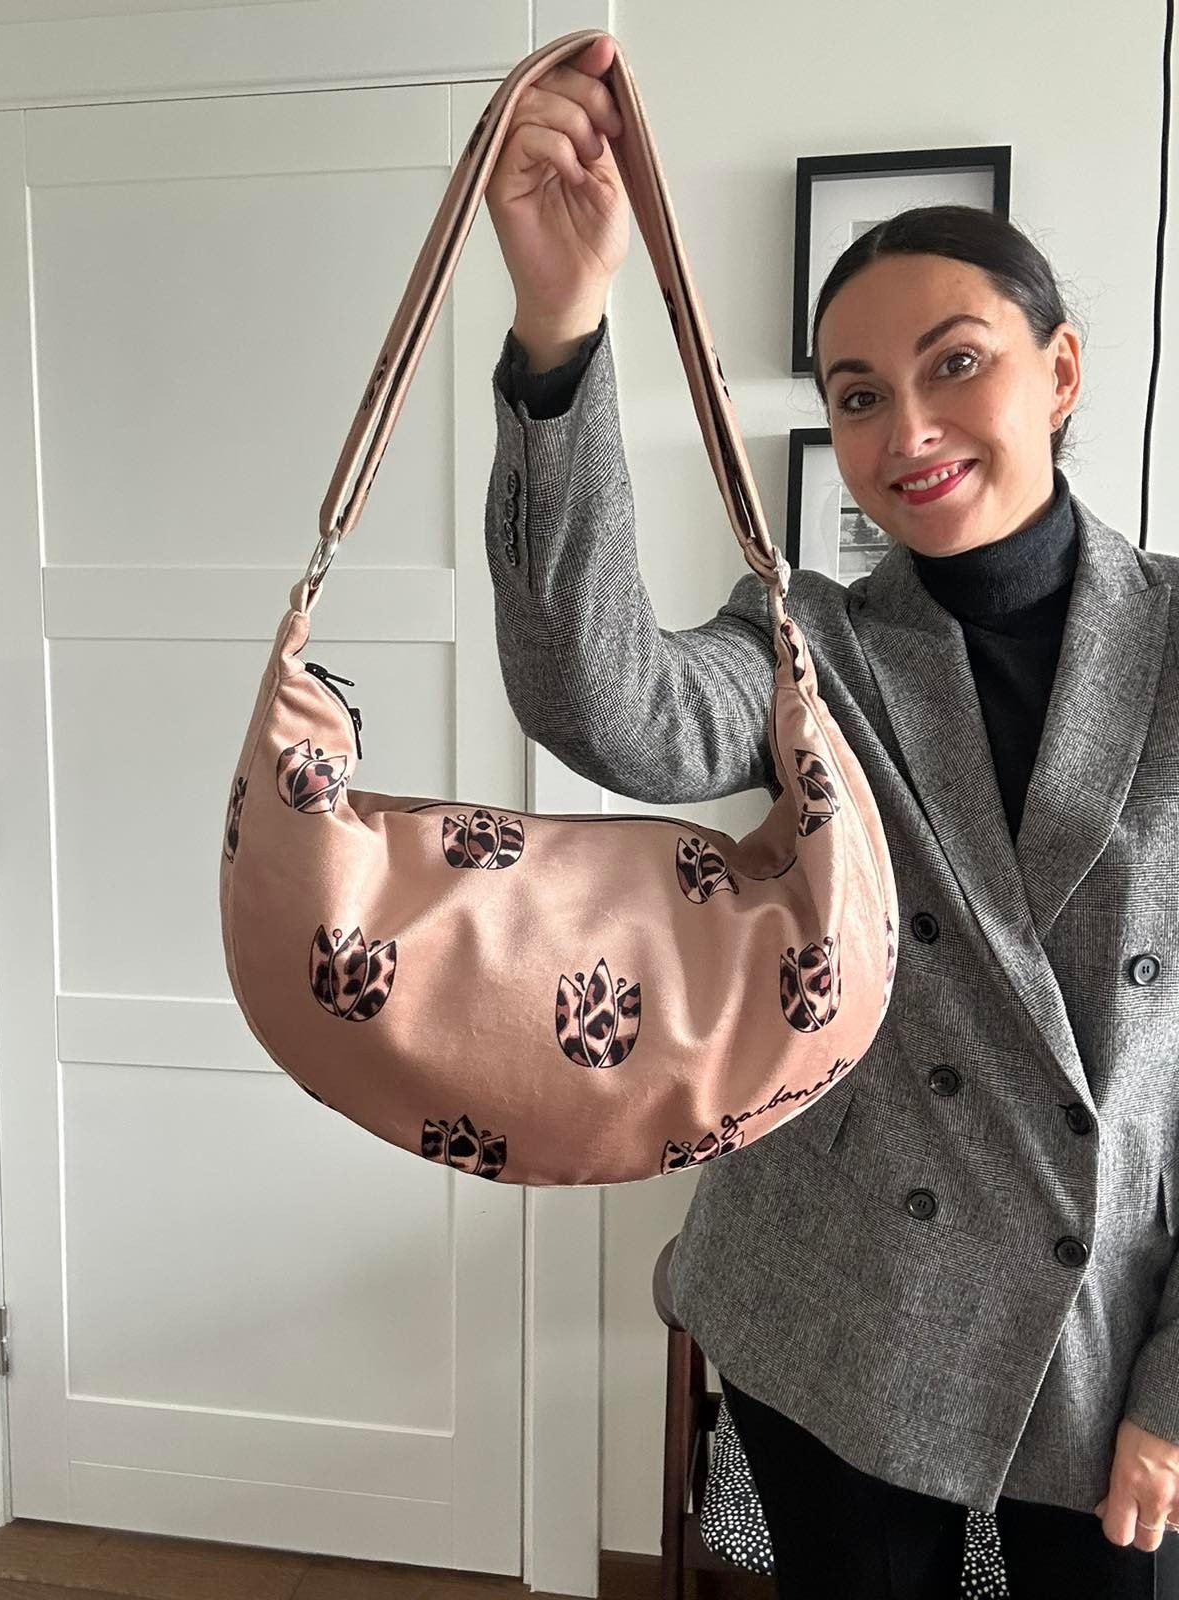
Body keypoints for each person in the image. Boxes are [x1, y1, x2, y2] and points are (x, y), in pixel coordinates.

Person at [482, 32, 1179, 1600]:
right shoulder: (815, 645)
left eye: (956, 363)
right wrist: (560, 324)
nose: (906, 430)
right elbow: (602, 701)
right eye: (860, 396)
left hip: (1109, 1322)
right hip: (842, 1302)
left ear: (1061, 373)